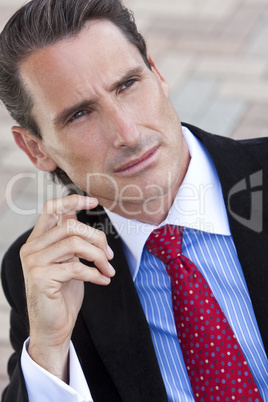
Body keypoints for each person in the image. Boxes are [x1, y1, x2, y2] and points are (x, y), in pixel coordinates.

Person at [0, 0, 267, 401]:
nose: (126, 133)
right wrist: (50, 351)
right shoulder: (48, 274)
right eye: (79, 114)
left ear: (157, 74)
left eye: (127, 85)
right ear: (37, 149)